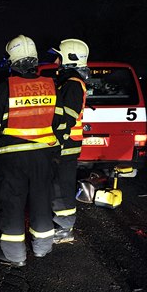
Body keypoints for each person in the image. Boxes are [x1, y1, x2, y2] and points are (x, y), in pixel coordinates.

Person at [0, 35, 65, 267]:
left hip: (12, 159)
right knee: (41, 200)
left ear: (12, 61)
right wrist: (55, 153)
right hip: (43, 156)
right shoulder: (51, 87)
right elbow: (57, 124)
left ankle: (14, 255)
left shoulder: (3, 89)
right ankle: (42, 248)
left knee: (12, 204)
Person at [49, 39, 90, 244]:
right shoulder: (69, 82)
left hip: (66, 145)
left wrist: (56, 145)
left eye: (59, 56)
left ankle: (65, 228)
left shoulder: (72, 84)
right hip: (67, 143)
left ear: (69, 59)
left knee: (61, 186)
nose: (56, 60)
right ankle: (63, 224)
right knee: (59, 185)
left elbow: (67, 118)